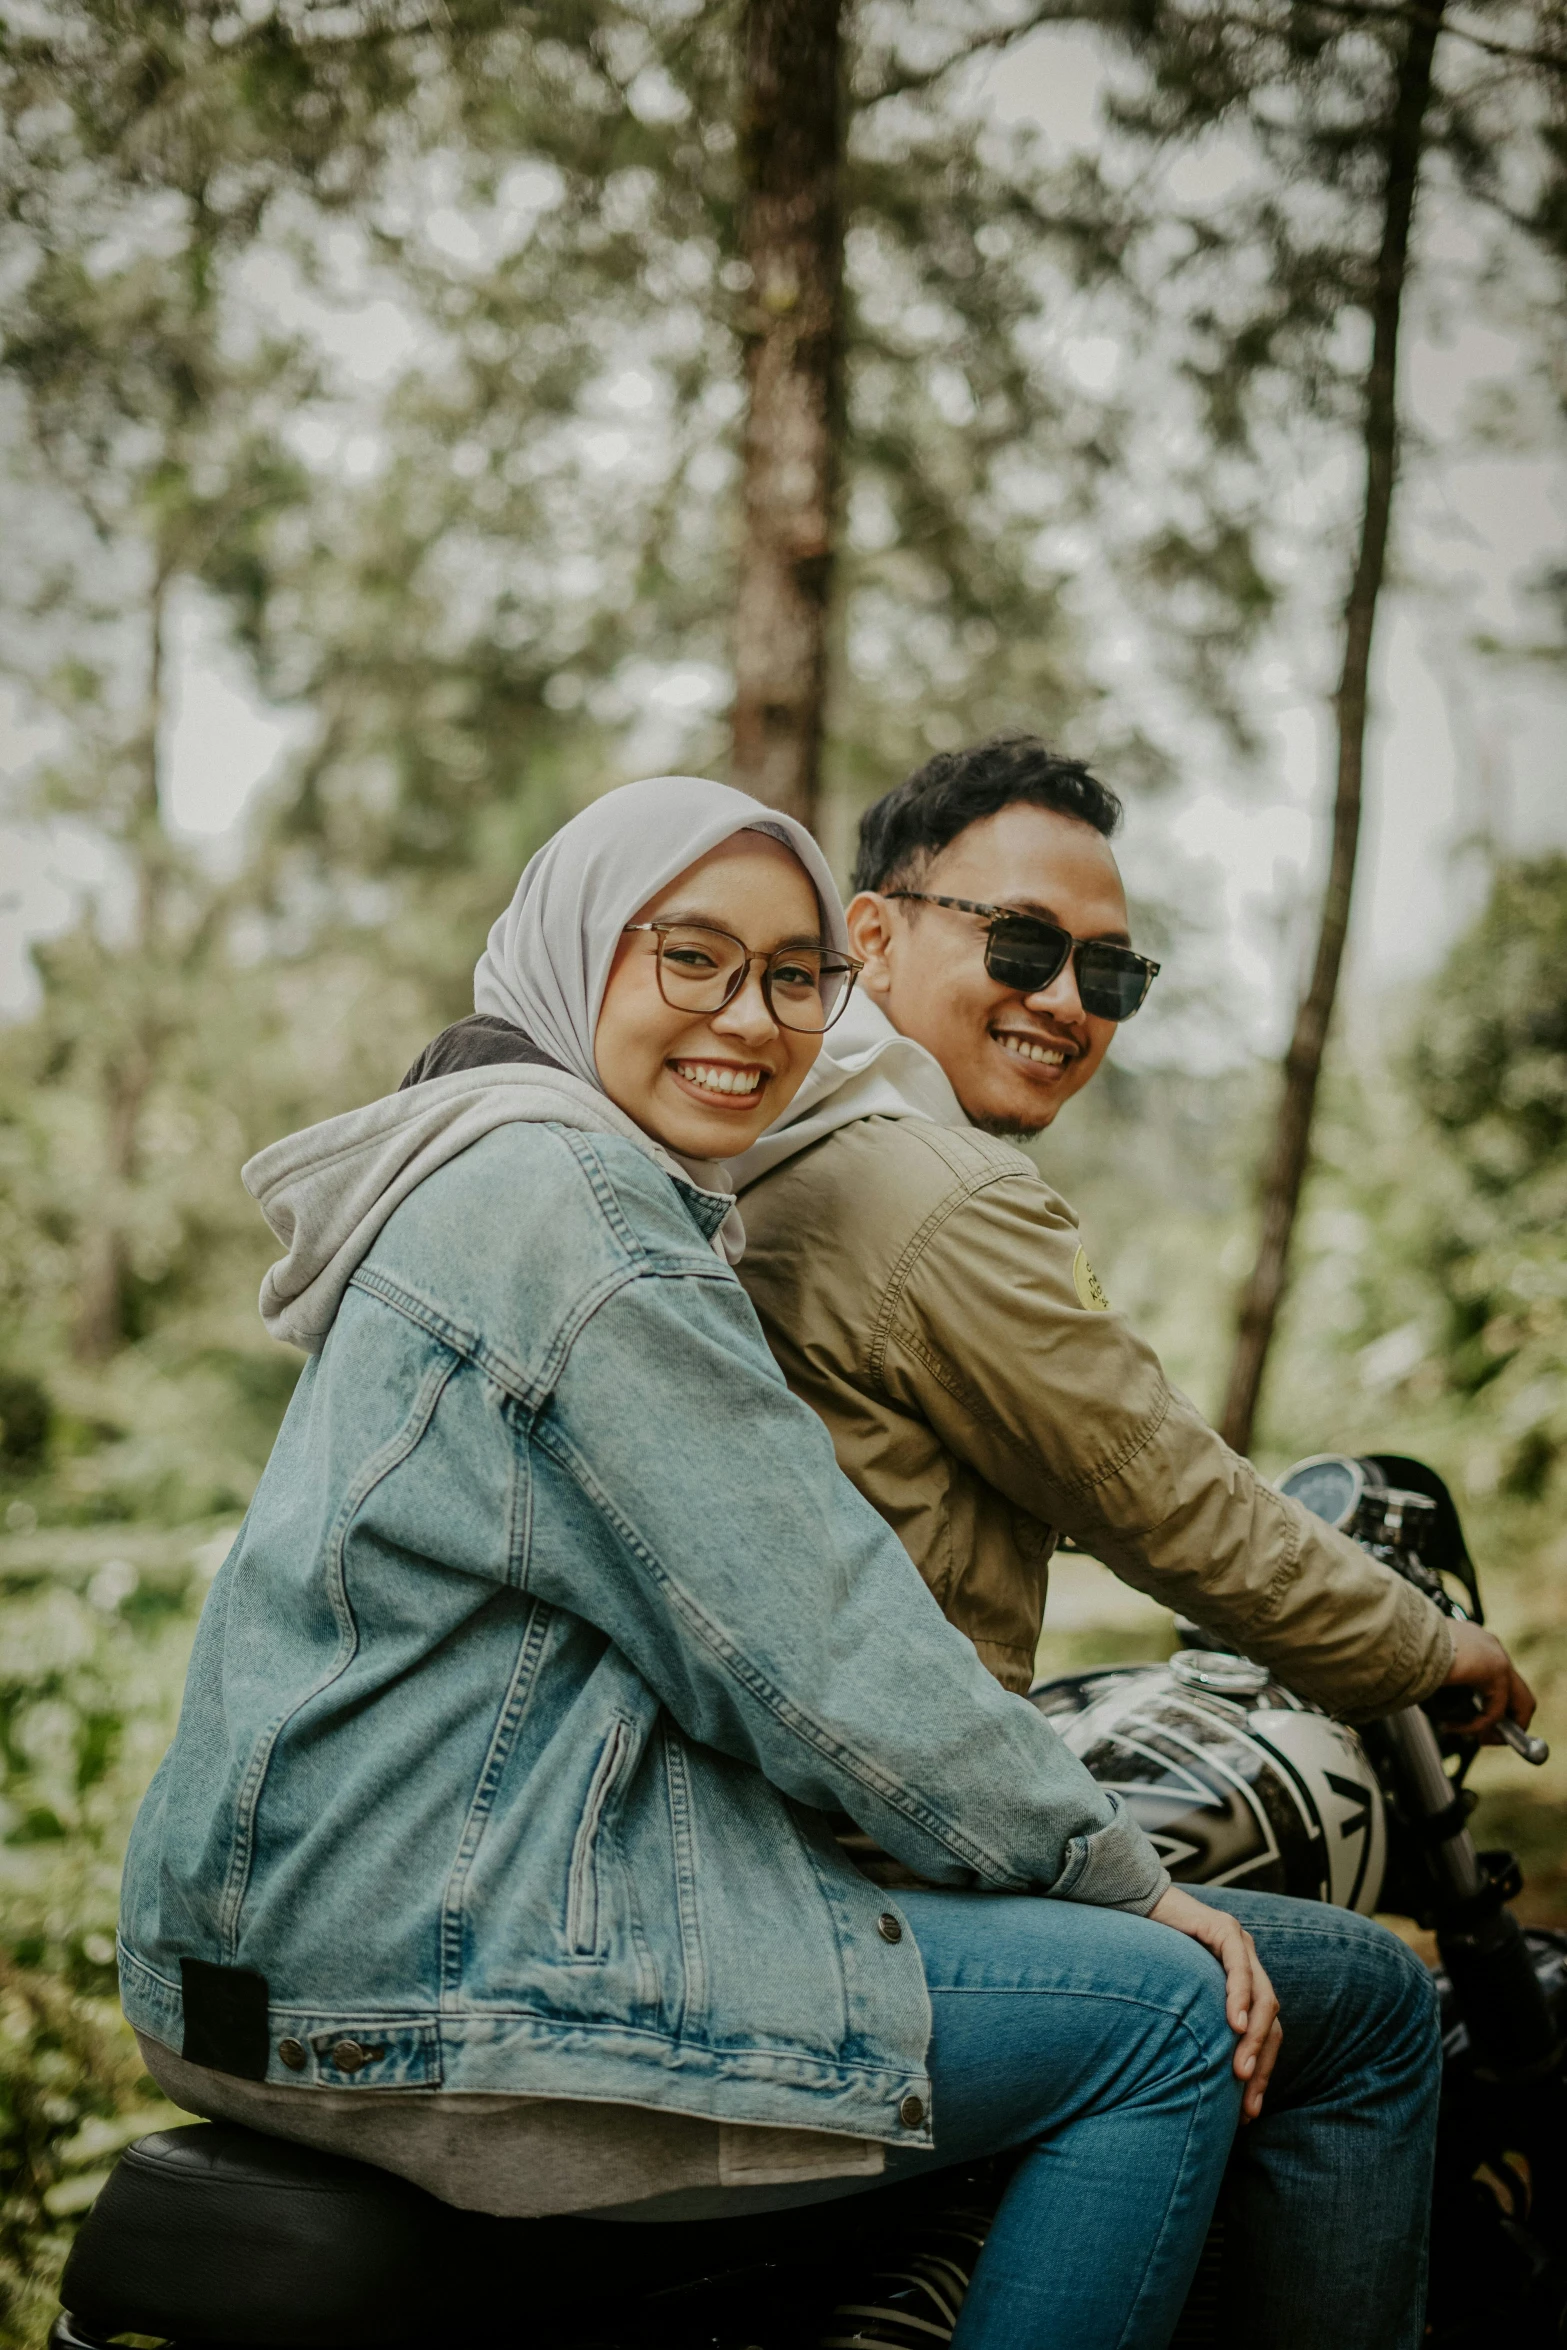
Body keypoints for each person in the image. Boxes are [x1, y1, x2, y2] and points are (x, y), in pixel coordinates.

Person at [119, 773, 1303, 2350]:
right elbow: (816, 1642)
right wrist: (1117, 1877)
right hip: (411, 1974)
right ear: (579, 949)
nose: (747, 1016)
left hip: (245, 1956)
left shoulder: (470, 1170)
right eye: (689, 957)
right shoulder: (586, 1211)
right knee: (1162, 2021)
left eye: (792, 975)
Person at [719, 734, 1536, 2344]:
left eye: (1113, 968)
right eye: (1018, 944)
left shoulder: (765, 1144)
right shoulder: (926, 1188)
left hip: (746, 1815)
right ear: (870, 934)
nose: (1065, 998)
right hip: (835, 1871)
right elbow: (1165, 1498)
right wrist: (1425, 1644)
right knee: (1364, 2005)